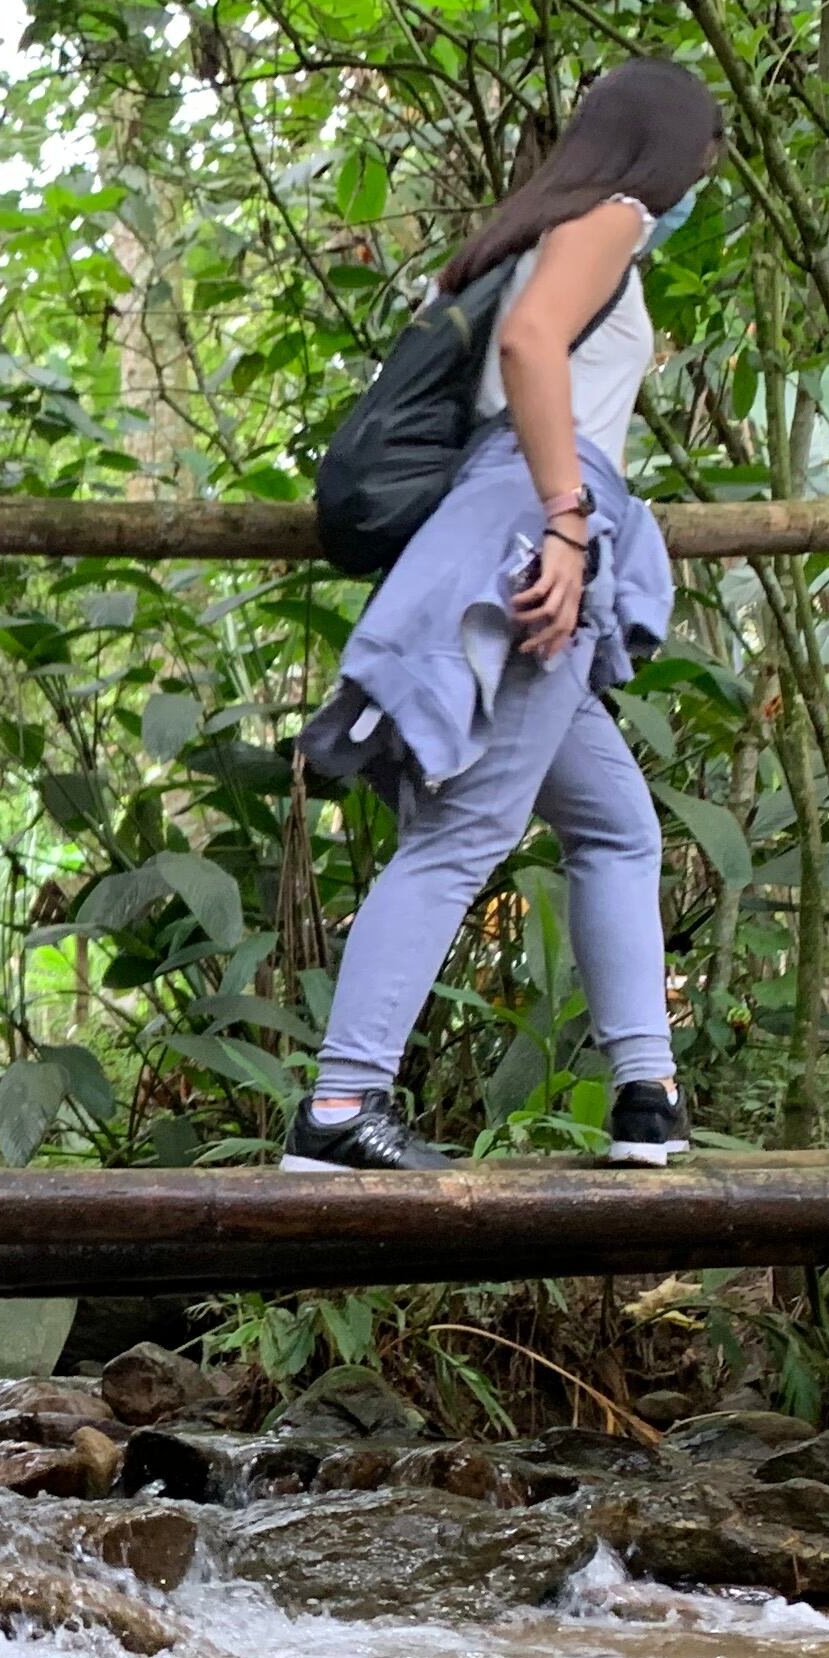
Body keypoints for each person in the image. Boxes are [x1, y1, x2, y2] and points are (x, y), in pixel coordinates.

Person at [285, 59, 723, 1174]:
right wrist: (572, 524)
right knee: (464, 831)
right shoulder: (612, 218)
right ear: (663, 149)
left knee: (617, 823)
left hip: (506, 515)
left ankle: (646, 1097)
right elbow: (533, 347)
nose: (703, 177)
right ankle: (341, 1104)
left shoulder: (523, 232)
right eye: (704, 152)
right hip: (537, 532)